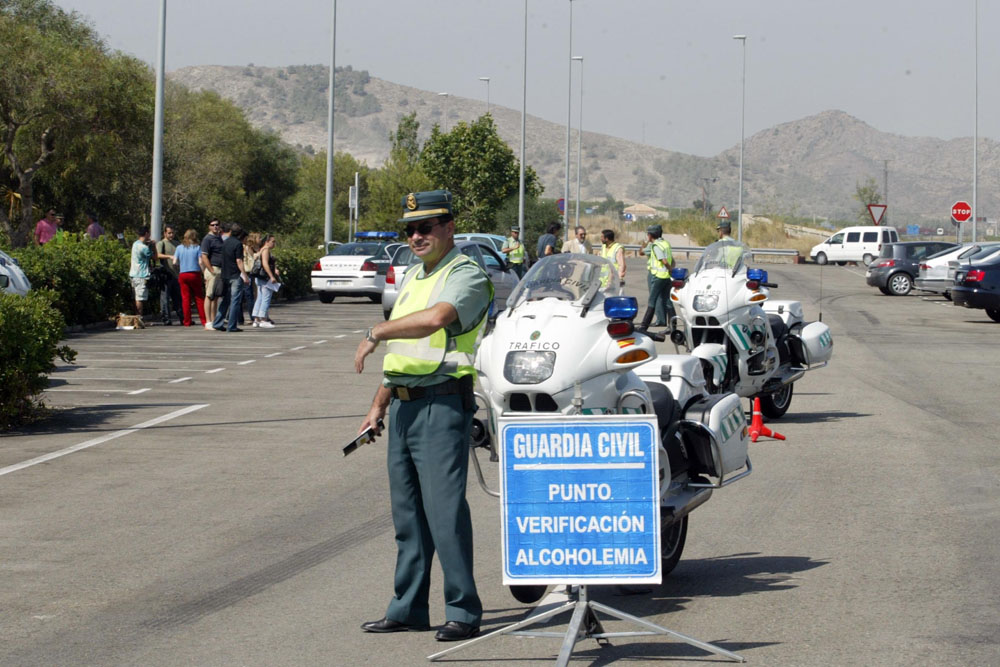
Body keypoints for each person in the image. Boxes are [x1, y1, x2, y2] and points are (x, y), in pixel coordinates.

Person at [354, 190, 492, 643]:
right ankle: (409, 606)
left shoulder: (465, 274)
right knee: (409, 515)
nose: (416, 236)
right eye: (409, 229)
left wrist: (374, 330)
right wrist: (379, 402)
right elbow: (405, 351)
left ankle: (463, 609)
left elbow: (435, 320)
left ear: (449, 228)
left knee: (445, 511)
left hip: (442, 402)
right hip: (407, 405)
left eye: (425, 227)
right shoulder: (414, 276)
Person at [212, 223, 249, 332]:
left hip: (225, 275)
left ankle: (218, 322)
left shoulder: (225, 242)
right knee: (235, 301)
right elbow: (239, 261)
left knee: (225, 300)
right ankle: (232, 325)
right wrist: (245, 275)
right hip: (235, 275)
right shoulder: (238, 244)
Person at [639, 224, 674, 326]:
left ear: (650, 235)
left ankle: (646, 325)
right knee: (668, 300)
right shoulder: (665, 243)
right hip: (666, 275)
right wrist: (671, 271)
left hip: (657, 275)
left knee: (652, 300)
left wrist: (644, 244)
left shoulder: (654, 245)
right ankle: (672, 326)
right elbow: (671, 260)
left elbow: (664, 261)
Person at [173, 229, 209, 327]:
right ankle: (204, 320)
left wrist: (180, 266)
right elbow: (201, 262)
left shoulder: (179, 248)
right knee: (199, 297)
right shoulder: (197, 247)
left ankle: (187, 321)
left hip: (183, 274)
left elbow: (174, 261)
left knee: (185, 298)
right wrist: (203, 273)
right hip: (194, 274)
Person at [156, 225, 184, 325]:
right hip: (166, 274)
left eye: (172, 233)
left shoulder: (177, 244)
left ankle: (182, 317)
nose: (171, 235)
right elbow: (157, 255)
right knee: (165, 298)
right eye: (169, 233)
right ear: (165, 233)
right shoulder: (162, 243)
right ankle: (166, 319)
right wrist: (170, 257)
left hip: (177, 274)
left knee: (178, 297)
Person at [200, 219, 224, 329]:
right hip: (212, 269)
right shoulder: (207, 239)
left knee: (215, 296)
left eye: (217, 224)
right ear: (209, 227)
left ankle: (215, 320)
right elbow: (204, 256)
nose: (215, 227)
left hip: (220, 269)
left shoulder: (219, 238)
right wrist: (211, 270)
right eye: (213, 225)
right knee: (209, 295)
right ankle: (208, 321)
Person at [252, 234, 280, 328]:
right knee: (266, 298)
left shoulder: (261, 250)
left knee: (260, 298)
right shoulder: (266, 250)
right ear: (266, 242)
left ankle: (256, 319)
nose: (274, 243)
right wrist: (271, 276)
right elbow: (265, 263)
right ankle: (263, 319)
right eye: (272, 241)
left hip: (259, 277)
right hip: (265, 277)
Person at [129, 227, 155, 318]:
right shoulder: (144, 248)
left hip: (133, 274)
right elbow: (155, 257)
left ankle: (137, 317)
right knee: (140, 298)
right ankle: (139, 318)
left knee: (135, 296)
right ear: (146, 233)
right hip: (141, 275)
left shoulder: (135, 244)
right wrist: (153, 246)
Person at [241, 232, 261, 325]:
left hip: (251, 272)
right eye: (259, 238)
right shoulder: (247, 248)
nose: (260, 239)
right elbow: (253, 258)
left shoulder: (254, 248)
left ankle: (253, 315)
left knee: (250, 294)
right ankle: (253, 316)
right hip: (247, 271)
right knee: (249, 295)